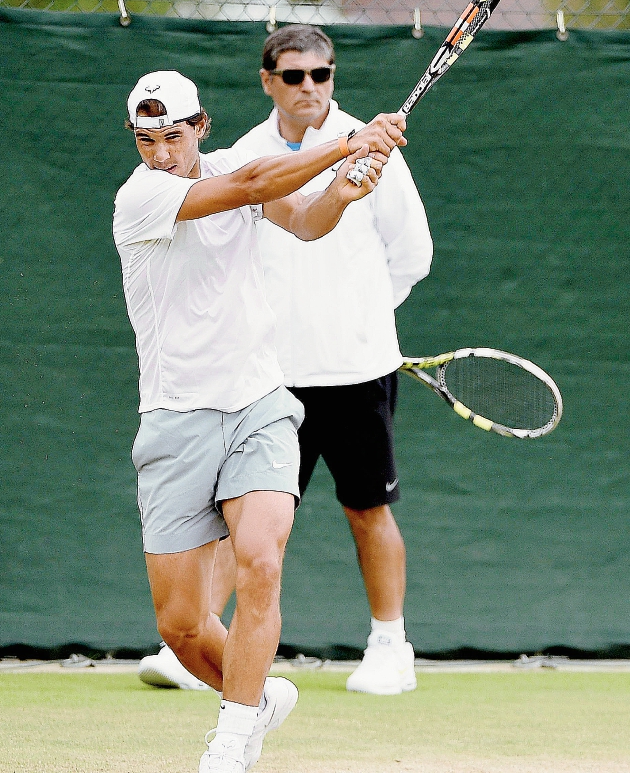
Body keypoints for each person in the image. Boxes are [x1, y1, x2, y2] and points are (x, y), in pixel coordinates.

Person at [113, 68, 406, 772]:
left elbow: (303, 221)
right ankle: (259, 700)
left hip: (260, 406)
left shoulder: (236, 171)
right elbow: (248, 189)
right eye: (145, 138)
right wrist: (344, 145)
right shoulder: (142, 195)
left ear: (201, 126)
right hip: (175, 420)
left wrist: (343, 191)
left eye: (173, 135)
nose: (160, 150)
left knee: (261, 560)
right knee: (182, 627)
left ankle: (232, 739)